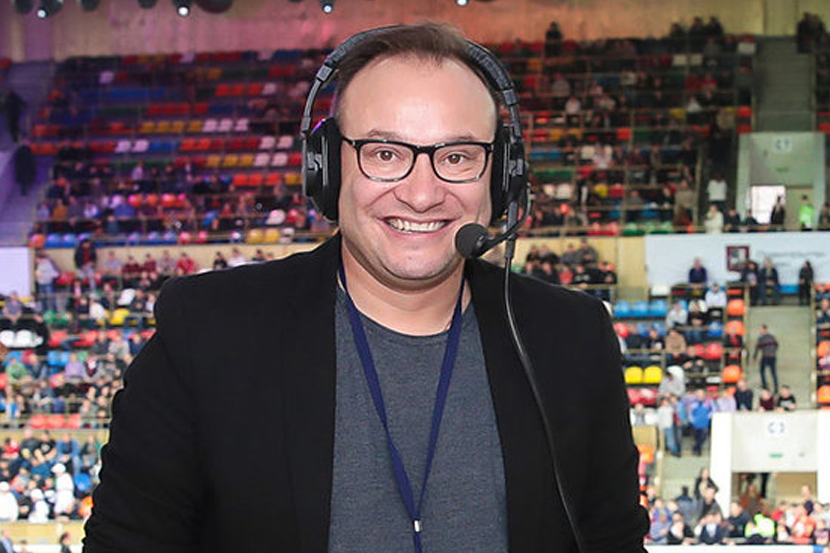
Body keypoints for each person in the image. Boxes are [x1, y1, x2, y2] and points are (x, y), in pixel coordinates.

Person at [83, 24, 648, 553]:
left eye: (457, 157)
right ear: (326, 169)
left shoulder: (572, 339)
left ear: (501, 178)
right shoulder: (208, 333)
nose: (422, 194)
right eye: (385, 154)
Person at [754, 324, 779, 393]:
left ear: (765, 330)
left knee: (762, 371)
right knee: (773, 372)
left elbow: (757, 348)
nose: (760, 331)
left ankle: (765, 385)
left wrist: (755, 357)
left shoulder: (761, 338)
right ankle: (776, 387)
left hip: (766, 356)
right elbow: (776, 345)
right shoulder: (772, 337)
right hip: (773, 356)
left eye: (761, 329)